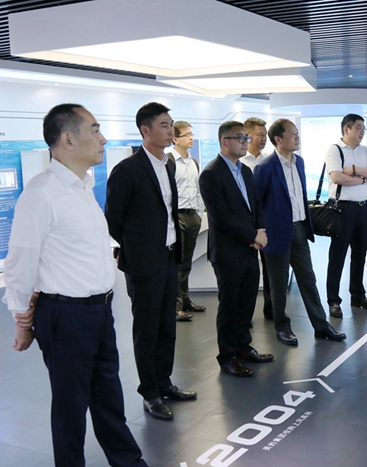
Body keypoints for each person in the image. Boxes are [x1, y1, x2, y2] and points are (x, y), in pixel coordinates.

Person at [4, 104, 148, 465]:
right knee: (70, 408)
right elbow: (21, 261)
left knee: (109, 399)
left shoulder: (83, 187)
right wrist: (22, 318)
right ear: (68, 139)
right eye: (95, 130)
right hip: (65, 316)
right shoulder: (41, 194)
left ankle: (129, 462)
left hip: (100, 312)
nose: (104, 139)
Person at [106, 102, 197, 421]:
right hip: (144, 263)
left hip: (169, 256)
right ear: (145, 130)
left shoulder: (167, 165)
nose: (170, 130)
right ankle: (150, 392)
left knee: (167, 325)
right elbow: (113, 220)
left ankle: (164, 381)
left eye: (171, 124)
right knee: (147, 329)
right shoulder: (128, 169)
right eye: (164, 125)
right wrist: (137, 248)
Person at [253, 119, 346, 345]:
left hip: (300, 229)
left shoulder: (299, 162)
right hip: (276, 234)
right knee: (278, 284)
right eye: (292, 134)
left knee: (308, 280)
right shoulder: (265, 167)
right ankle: (282, 327)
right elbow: (257, 203)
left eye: (297, 133)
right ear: (278, 139)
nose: (297, 137)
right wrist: (260, 231)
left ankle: (321, 325)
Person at [199, 121, 274, 377]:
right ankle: (228, 356)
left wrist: (260, 230)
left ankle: (243, 347)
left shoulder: (245, 171)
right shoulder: (211, 174)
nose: (245, 142)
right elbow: (222, 216)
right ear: (225, 142)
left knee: (246, 303)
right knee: (229, 306)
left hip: (249, 248)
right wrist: (252, 235)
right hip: (228, 252)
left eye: (246, 138)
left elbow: (256, 204)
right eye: (240, 138)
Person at [324, 114, 367, 318]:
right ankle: (333, 300)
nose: (362, 132)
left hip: (364, 208)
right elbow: (337, 177)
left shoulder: (366, 151)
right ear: (346, 129)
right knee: (338, 256)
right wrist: (362, 178)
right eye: (358, 127)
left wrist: (355, 170)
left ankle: (358, 295)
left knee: (360, 254)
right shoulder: (335, 150)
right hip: (343, 209)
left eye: (363, 128)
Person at [168, 120, 205, 322]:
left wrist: (199, 213)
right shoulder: (169, 161)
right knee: (177, 263)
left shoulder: (193, 162)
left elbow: (197, 191)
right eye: (186, 135)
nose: (191, 138)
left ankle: (185, 299)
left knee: (186, 263)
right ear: (175, 139)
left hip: (192, 216)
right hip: (178, 216)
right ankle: (176, 305)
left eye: (191, 134)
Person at [241, 117, 273, 320]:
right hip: (244, 224)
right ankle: (244, 316)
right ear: (248, 135)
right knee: (246, 272)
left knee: (270, 268)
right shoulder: (239, 161)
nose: (264, 139)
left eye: (265, 135)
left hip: (266, 222)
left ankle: (271, 308)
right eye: (260, 135)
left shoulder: (268, 160)